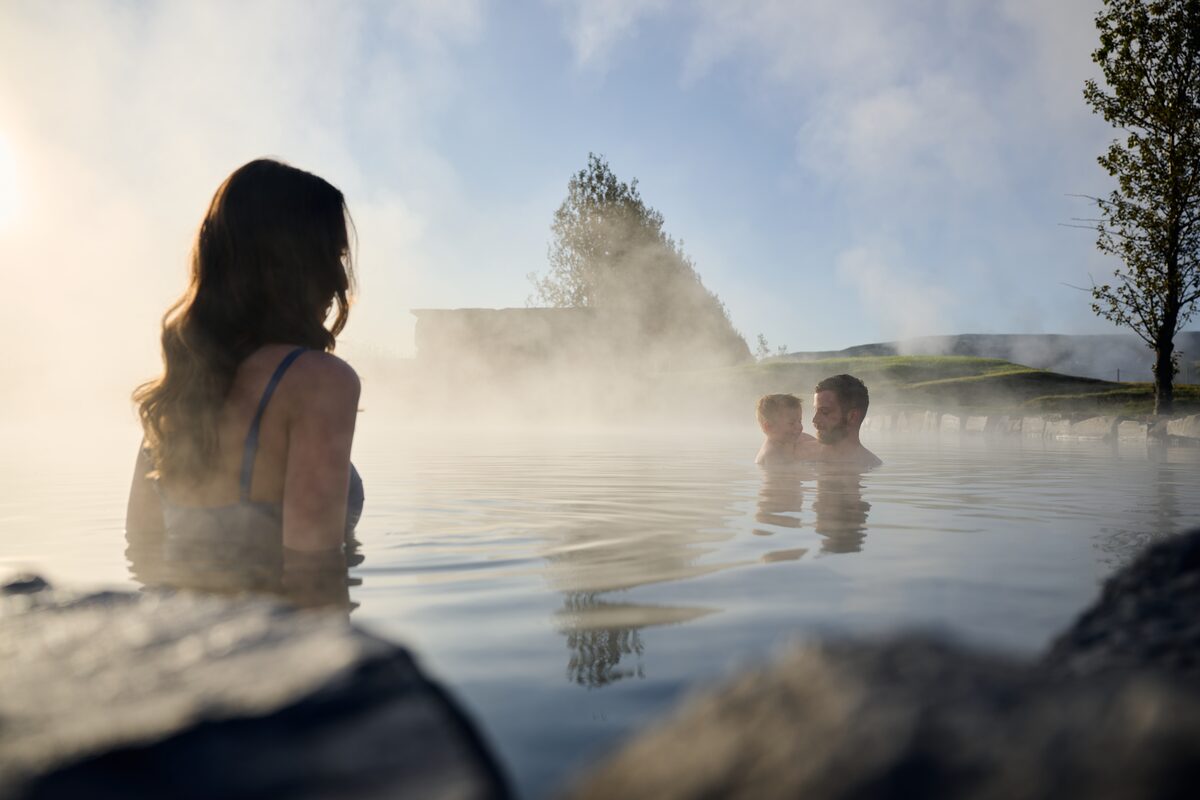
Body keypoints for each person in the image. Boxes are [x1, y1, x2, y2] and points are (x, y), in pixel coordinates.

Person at [126, 158, 364, 555]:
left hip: (174, 615)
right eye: (332, 256)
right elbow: (313, 569)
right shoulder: (319, 381)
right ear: (292, 263)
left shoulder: (181, 387)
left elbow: (141, 547)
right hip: (275, 617)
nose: (340, 280)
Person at [811, 374, 882, 468]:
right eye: (815, 410)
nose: (814, 420)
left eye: (824, 412)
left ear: (852, 416)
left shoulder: (867, 464)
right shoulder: (804, 453)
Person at [755, 393, 819, 466]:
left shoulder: (796, 438)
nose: (799, 427)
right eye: (791, 423)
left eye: (799, 421)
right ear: (769, 427)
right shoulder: (771, 455)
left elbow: (821, 445)